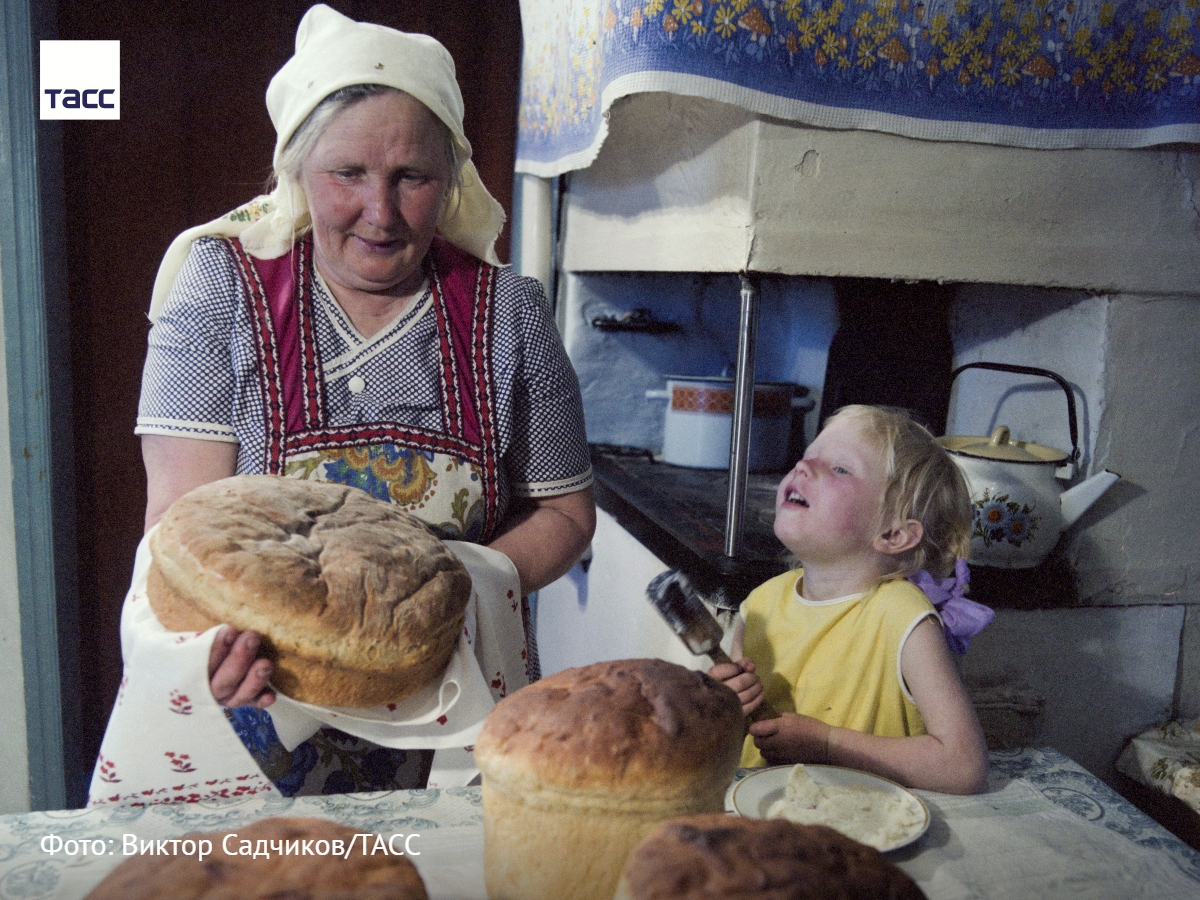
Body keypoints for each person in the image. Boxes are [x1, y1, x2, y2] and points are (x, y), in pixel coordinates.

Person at [129, 4, 595, 795]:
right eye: (349, 174)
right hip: (265, 704)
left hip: (457, 705)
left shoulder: (509, 313)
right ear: (298, 172)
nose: (380, 213)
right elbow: (180, 522)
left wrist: (446, 589)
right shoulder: (221, 293)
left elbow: (566, 515)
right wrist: (215, 649)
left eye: (411, 176)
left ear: (450, 180)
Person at [709, 405, 992, 795]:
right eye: (807, 457)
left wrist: (827, 743)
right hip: (763, 819)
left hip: (864, 824)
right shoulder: (759, 604)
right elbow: (721, 741)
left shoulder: (905, 619)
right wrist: (718, 707)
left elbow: (964, 768)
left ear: (893, 534)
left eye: (840, 468)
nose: (803, 468)